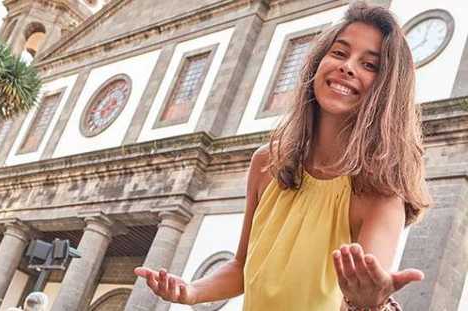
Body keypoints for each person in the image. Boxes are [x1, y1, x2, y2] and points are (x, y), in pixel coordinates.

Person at [134, 2, 430, 310]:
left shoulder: (380, 196)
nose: (348, 66)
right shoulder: (266, 163)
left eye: (370, 65)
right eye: (340, 53)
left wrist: (373, 305)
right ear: (317, 63)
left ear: (387, 88)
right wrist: (191, 292)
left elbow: (362, 294)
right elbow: (241, 268)